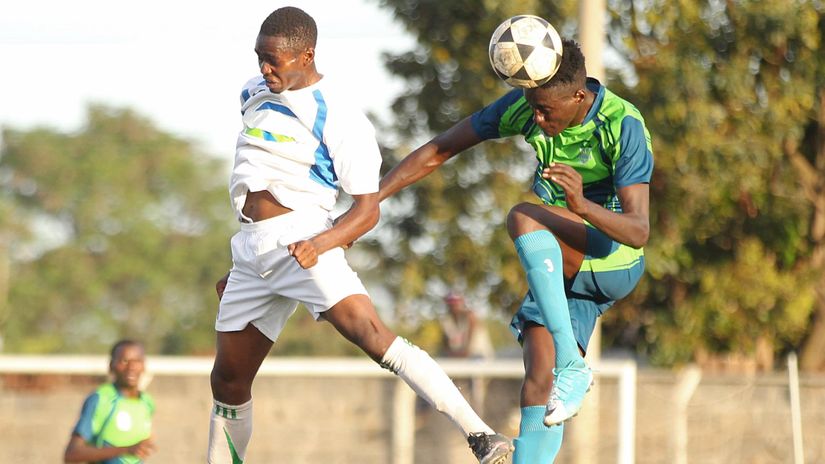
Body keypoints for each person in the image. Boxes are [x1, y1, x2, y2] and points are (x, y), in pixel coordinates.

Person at [207, 7, 513, 464]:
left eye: (274, 60)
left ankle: (482, 436)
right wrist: (248, 258)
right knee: (227, 381)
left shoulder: (340, 118)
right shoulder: (253, 92)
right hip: (250, 250)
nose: (264, 69)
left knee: (371, 335)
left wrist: (321, 243)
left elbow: (367, 212)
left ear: (306, 54)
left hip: (302, 240)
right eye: (259, 58)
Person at [378, 37, 652, 463]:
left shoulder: (623, 123)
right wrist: (371, 201)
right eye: (532, 106)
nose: (537, 118)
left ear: (579, 95)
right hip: (564, 273)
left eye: (547, 110)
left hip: (613, 258)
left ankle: (574, 368)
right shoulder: (525, 107)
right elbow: (439, 149)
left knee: (524, 217)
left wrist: (581, 205)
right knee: (539, 383)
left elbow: (638, 231)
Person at [64, 340, 156, 464]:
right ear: (111, 365)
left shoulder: (147, 403)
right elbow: (72, 454)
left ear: (144, 366)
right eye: (124, 361)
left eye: (137, 361)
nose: (131, 367)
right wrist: (126, 450)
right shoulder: (100, 399)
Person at [440, 291, 494, 360]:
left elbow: (468, 349)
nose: (453, 306)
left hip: (479, 355)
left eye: (456, 302)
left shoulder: (470, 317)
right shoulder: (447, 321)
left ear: (461, 303)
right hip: (460, 355)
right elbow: (446, 345)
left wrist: (458, 354)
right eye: (451, 303)